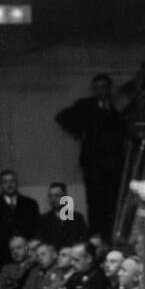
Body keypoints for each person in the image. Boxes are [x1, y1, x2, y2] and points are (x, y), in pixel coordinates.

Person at [55, 74, 125, 236]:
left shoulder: (116, 107)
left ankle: (109, 236)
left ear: (109, 89)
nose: (101, 91)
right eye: (97, 87)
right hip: (94, 164)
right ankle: (96, 236)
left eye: (104, 87)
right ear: (93, 90)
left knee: (113, 203)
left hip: (113, 163)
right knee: (95, 203)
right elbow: (62, 117)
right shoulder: (85, 105)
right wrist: (80, 133)